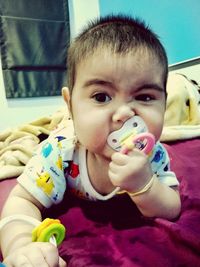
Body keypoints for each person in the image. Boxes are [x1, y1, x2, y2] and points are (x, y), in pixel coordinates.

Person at [0, 14, 181, 267]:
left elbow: (172, 207)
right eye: (101, 97)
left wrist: (145, 185)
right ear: (70, 105)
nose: (125, 114)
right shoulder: (61, 152)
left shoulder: (152, 154)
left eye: (145, 97)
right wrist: (20, 245)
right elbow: (21, 201)